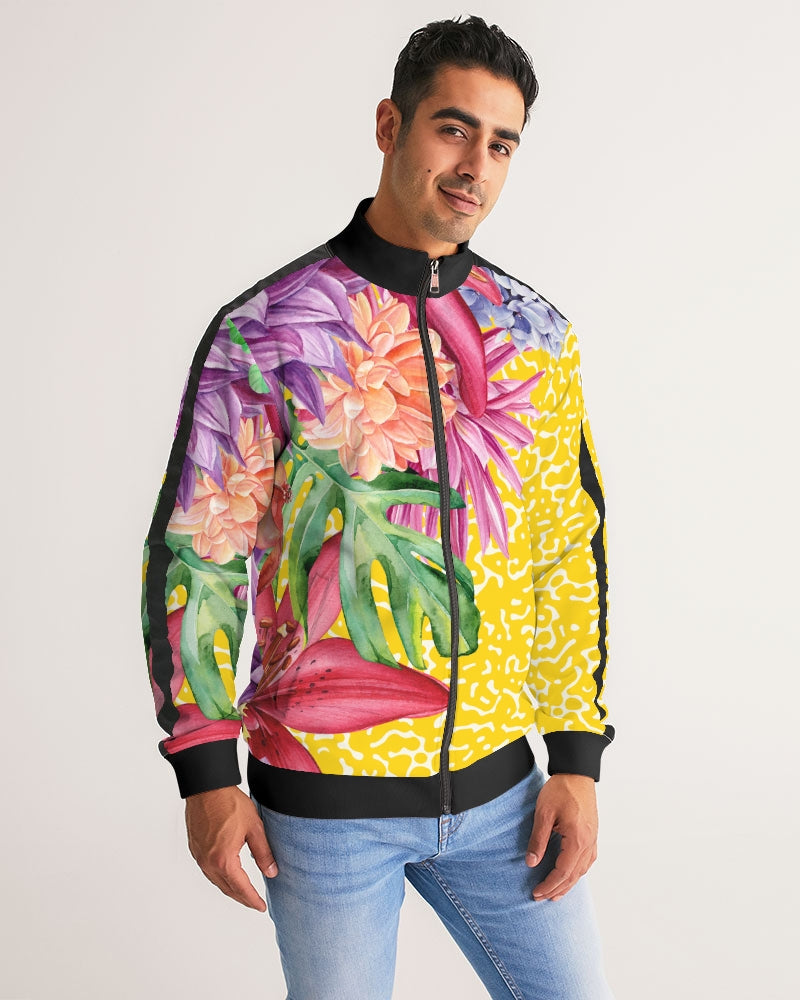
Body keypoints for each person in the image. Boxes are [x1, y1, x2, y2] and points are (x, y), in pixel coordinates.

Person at [141, 14, 616, 1000]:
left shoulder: (536, 337)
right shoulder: (268, 332)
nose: (474, 166)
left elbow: (563, 551)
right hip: (324, 814)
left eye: (501, 144)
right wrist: (206, 771)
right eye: (454, 128)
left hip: (503, 798)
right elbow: (200, 551)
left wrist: (574, 756)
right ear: (389, 125)